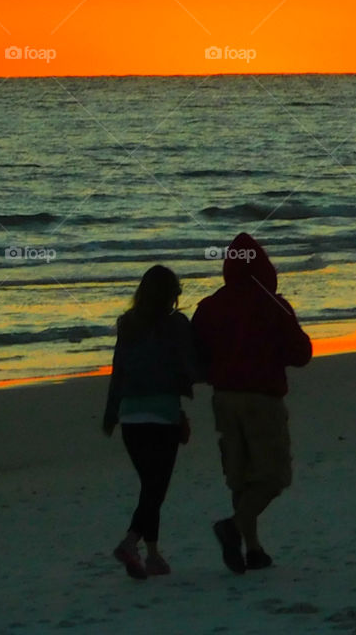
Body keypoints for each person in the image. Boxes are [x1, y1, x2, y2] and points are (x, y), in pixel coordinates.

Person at [191, 232, 312, 573]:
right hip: (263, 398)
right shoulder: (272, 306)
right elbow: (301, 354)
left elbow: (195, 356)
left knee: (241, 476)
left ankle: (253, 549)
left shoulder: (210, 307)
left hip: (224, 399)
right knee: (274, 476)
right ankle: (234, 527)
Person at [103, 264, 200, 580]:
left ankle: (153, 556)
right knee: (155, 489)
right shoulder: (177, 325)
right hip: (162, 416)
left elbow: (118, 371)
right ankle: (131, 542)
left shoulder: (127, 324)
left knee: (150, 488)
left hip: (131, 417)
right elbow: (190, 366)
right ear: (171, 295)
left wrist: (111, 413)